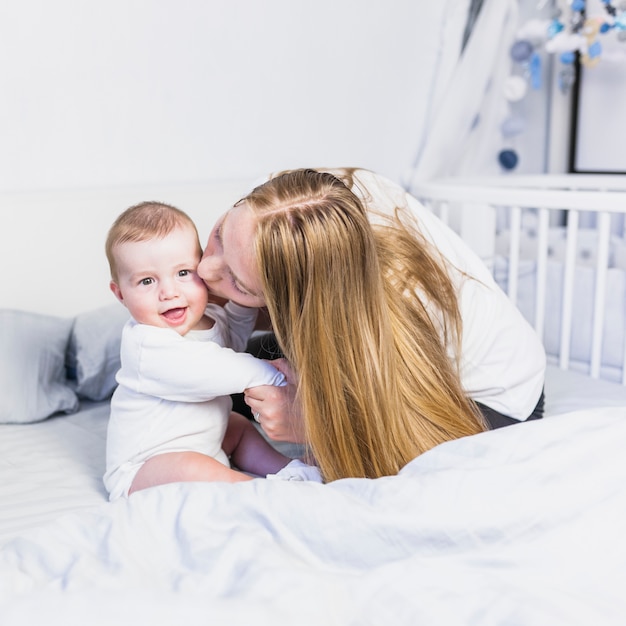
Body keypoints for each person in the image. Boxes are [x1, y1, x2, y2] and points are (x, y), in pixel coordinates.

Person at [197, 168, 547, 483]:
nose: (205, 269)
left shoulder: (398, 301)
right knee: (218, 382)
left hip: (484, 398)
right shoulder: (284, 206)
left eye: (240, 283)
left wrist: (316, 425)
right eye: (218, 235)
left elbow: (399, 440)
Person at [103, 201, 320, 501]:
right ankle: (255, 490)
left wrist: (243, 302)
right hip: (145, 467)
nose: (169, 292)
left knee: (239, 426)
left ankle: (288, 469)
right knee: (190, 466)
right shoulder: (145, 345)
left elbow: (232, 337)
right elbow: (217, 367)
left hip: (209, 442)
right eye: (147, 281)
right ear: (121, 294)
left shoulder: (208, 319)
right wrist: (275, 377)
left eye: (182, 272)